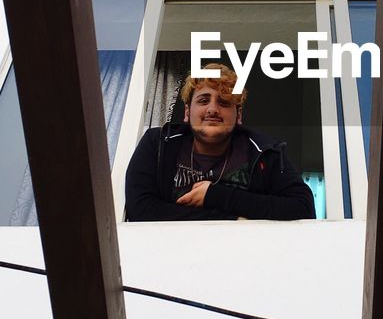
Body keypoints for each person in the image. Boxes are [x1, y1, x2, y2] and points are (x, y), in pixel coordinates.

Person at [124, 62, 315, 221]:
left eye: (223, 102)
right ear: (187, 112)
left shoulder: (265, 152)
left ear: (238, 115)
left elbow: (302, 207)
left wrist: (216, 195)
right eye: (203, 100)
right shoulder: (157, 144)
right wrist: (229, 219)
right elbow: (140, 210)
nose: (213, 109)